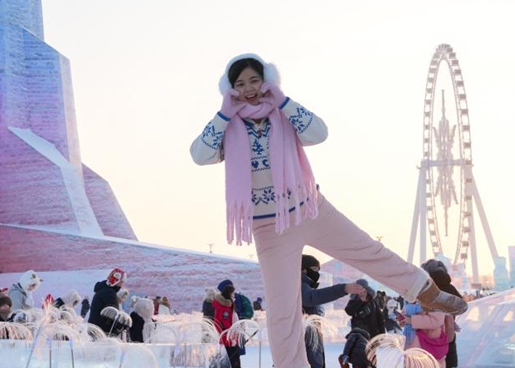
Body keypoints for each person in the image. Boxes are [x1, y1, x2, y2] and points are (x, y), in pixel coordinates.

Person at [190, 54, 468, 368]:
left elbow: (318, 132)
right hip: (269, 227)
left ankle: (425, 290)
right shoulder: (228, 128)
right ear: (230, 89)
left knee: (368, 250)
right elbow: (199, 154)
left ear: (267, 80)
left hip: (310, 208)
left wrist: (282, 101)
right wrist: (224, 115)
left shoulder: (283, 115)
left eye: (255, 80)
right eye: (240, 84)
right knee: (283, 311)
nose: (249, 88)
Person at [301, 254, 366, 368]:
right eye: (315, 269)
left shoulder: (306, 287)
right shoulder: (300, 286)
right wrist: (343, 289)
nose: (318, 273)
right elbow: (310, 298)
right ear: (303, 270)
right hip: (305, 346)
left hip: (312, 344)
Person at [421, 259, 463, 368]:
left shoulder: (426, 289)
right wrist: (450, 317)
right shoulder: (450, 287)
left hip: (430, 333)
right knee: (449, 358)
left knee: (431, 361)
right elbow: (461, 305)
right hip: (449, 332)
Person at [88, 267, 128, 335]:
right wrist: (123, 325)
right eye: (121, 282)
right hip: (102, 333)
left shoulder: (102, 290)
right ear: (116, 281)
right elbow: (113, 315)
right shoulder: (109, 293)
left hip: (94, 330)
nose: (121, 285)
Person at [213, 280, 241, 368]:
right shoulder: (224, 309)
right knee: (232, 363)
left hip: (229, 341)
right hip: (228, 342)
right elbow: (225, 326)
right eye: (232, 294)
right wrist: (231, 339)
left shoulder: (226, 307)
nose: (234, 296)